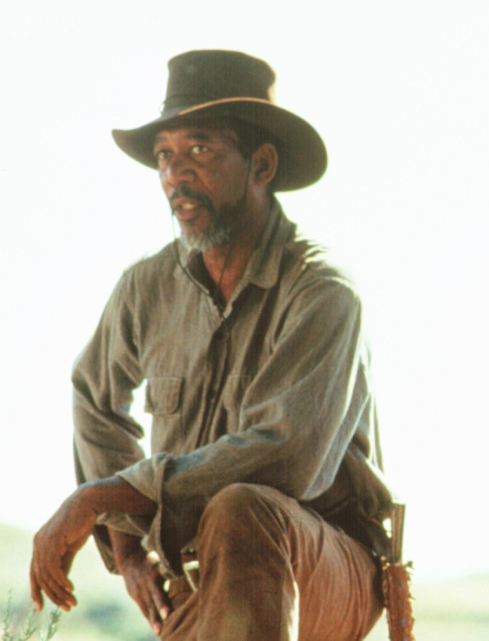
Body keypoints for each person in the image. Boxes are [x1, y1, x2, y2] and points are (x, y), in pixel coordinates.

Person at [29, 50, 394, 640]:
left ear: (262, 164)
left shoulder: (323, 294)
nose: (176, 175)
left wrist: (101, 496)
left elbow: (286, 455)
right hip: (201, 577)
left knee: (241, 507)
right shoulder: (145, 287)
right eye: (164, 156)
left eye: (199, 150)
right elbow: (93, 396)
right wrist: (128, 550)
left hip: (327, 564)